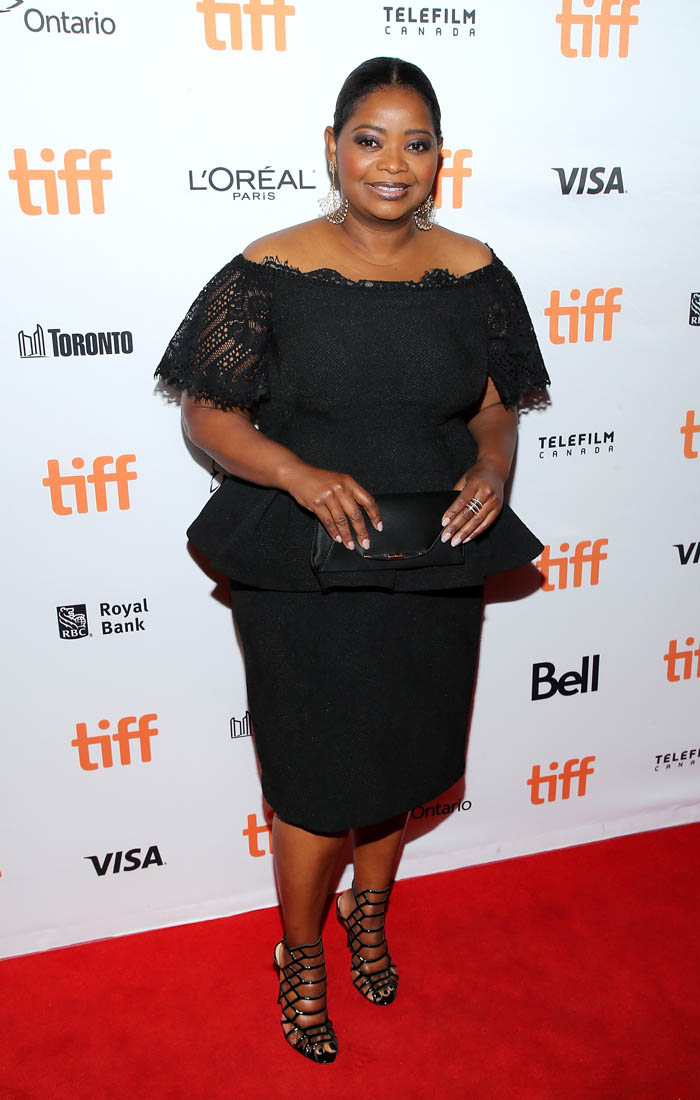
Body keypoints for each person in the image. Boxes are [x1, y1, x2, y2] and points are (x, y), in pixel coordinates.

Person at [156, 56, 549, 1064]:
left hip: (433, 549)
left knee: (403, 752)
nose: (391, 163)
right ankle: (299, 953)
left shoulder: (475, 271)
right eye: (369, 140)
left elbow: (494, 405)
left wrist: (492, 465)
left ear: (440, 158)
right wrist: (296, 472)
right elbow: (209, 413)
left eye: (416, 143)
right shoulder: (268, 269)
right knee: (315, 773)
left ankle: (366, 914)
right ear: (332, 148)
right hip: (303, 560)